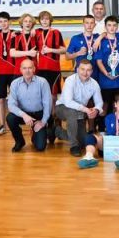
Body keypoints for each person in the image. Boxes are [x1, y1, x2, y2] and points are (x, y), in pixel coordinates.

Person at [55, 59, 104, 156]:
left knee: (82, 142)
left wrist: (96, 110)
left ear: (92, 71)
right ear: (77, 69)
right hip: (62, 108)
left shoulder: (94, 84)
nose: (85, 73)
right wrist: (86, 109)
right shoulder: (70, 80)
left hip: (80, 111)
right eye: (82, 69)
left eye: (88, 70)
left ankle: (57, 131)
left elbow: (99, 102)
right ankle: (73, 146)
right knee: (72, 112)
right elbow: (68, 102)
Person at [78, 94, 119, 170]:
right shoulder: (109, 117)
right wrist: (116, 140)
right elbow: (110, 134)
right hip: (110, 148)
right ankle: (89, 156)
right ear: (115, 105)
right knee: (90, 136)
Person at [6, 59, 51, 153]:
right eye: (24, 68)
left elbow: (48, 104)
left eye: (30, 68)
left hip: (39, 114)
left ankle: (39, 132)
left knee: (40, 147)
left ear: (34, 69)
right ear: (20, 70)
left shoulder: (42, 82)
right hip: (24, 114)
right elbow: (11, 105)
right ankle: (20, 141)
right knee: (10, 118)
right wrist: (24, 115)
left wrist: (43, 122)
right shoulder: (15, 83)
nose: (27, 71)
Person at [34, 10, 66, 143]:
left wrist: (51, 50)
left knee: (53, 98)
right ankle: (43, 125)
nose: (45, 21)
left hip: (53, 69)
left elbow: (64, 50)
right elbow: (23, 32)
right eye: (42, 19)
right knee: (41, 98)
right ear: (40, 21)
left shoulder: (56, 32)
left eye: (47, 19)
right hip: (40, 69)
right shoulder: (36, 32)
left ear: (50, 20)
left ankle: (55, 126)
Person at [0, 11, 16, 136]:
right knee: (1, 99)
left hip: (14, 71)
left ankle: (14, 124)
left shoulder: (16, 34)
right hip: (1, 72)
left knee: (15, 99)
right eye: (1, 21)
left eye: (5, 21)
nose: (3, 23)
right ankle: (2, 125)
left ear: (9, 22)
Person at [94, 16, 119, 122]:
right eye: (109, 25)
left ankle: (115, 127)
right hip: (105, 80)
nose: (112, 28)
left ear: (117, 27)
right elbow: (99, 61)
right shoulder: (101, 42)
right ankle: (102, 128)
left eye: (114, 25)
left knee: (117, 106)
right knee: (104, 106)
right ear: (105, 26)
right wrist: (107, 74)